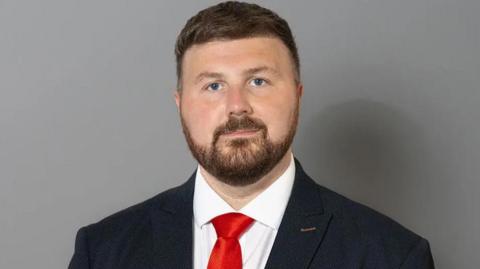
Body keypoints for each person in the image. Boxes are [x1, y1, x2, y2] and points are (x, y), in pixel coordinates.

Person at [68, 2, 434, 268]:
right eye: (213, 86)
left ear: (297, 95)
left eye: (258, 81)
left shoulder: (391, 256)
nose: (236, 106)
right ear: (180, 104)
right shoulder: (102, 252)